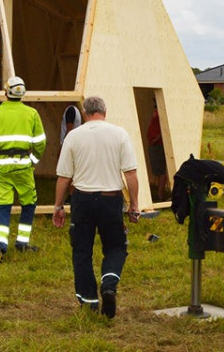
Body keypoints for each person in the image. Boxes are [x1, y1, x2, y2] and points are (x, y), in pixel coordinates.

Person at [53, 95, 139, 318]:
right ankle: (109, 284)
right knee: (116, 247)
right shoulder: (119, 134)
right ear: (105, 111)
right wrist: (134, 205)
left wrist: (58, 206)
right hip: (111, 199)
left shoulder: (73, 136)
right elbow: (130, 173)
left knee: (81, 251)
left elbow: (63, 177)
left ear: (84, 113)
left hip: (82, 199)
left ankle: (89, 302)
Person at [0, 76, 46, 262]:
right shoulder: (32, 113)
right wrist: (32, 160)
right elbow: (41, 142)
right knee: (29, 204)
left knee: (2, 206)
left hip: (1, 167)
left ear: (6, 92)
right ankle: (22, 243)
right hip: (23, 166)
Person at [147, 101, 169, 200]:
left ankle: (160, 194)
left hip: (157, 144)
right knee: (156, 169)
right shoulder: (156, 112)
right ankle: (159, 191)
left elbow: (164, 128)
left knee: (161, 170)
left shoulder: (161, 113)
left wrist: (156, 139)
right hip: (154, 144)